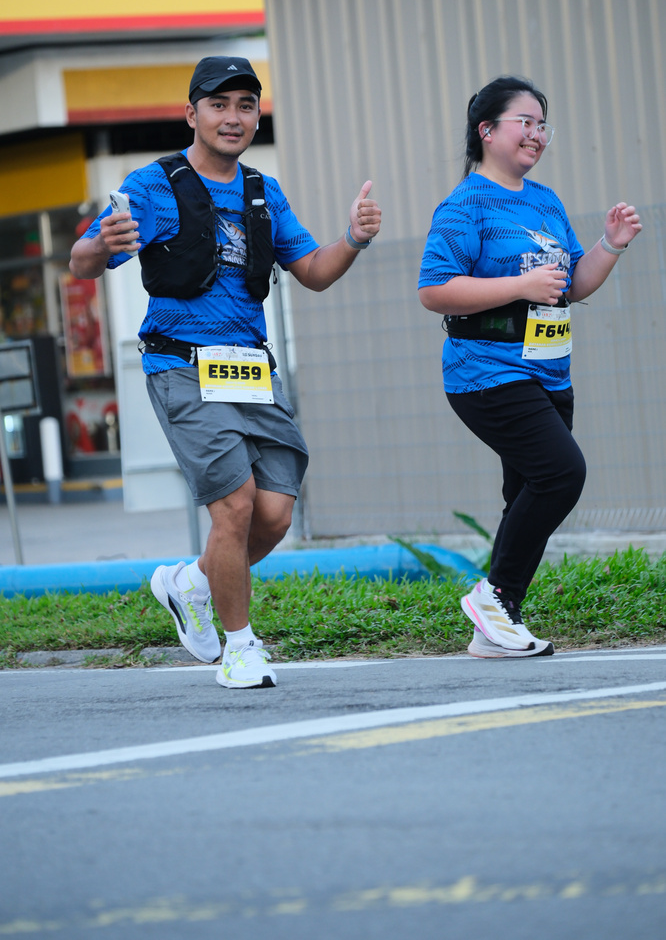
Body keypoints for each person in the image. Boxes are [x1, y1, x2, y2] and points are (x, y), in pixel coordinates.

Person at [70, 55, 381, 688]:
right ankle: (239, 648)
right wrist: (102, 244)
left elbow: (314, 272)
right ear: (192, 114)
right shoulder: (153, 185)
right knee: (234, 506)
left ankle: (190, 583)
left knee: (274, 514)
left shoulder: (264, 191)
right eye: (218, 104)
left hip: (249, 370)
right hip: (180, 365)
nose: (233, 117)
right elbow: (81, 260)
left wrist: (353, 237)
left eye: (245, 105)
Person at [418, 75, 641, 659]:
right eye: (525, 122)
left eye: (543, 125)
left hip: (549, 371)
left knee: (525, 492)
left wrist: (610, 245)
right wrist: (519, 285)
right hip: (486, 370)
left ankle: (495, 627)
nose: (537, 134)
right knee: (561, 474)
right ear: (487, 131)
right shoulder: (465, 204)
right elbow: (434, 289)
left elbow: (572, 284)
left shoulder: (545, 200)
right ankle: (494, 597)